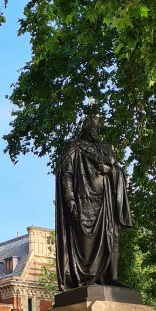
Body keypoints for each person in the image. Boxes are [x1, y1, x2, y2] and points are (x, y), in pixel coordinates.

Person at [55, 114, 132, 290]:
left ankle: (111, 277)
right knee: (85, 242)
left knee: (112, 237)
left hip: (106, 202)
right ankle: (86, 278)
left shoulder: (106, 149)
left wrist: (110, 169)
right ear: (85, 128)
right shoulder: (74, 147)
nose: (97, 131)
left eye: (99, 128)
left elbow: (118, 171)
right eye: (94, 128)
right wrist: (70, 200)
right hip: (84, 202)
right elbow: (66, 175)